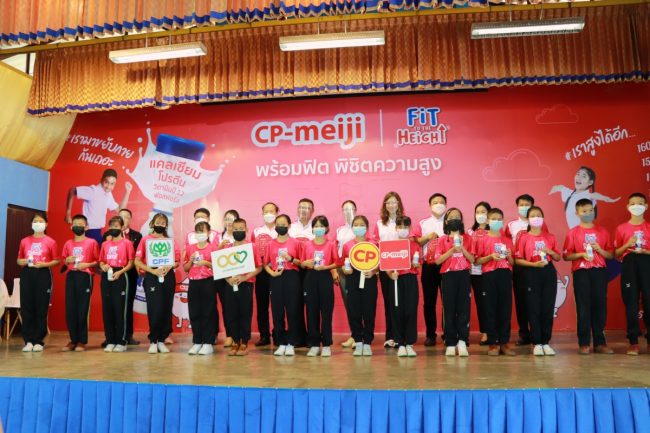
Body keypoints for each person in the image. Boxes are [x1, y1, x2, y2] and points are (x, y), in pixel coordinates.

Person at [563, 199, 614, 355]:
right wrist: (581, 254)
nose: (588, 213)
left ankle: (600, 343)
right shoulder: (573, 232)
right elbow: (566, 255)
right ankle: (584, 343)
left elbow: (610, 255)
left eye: (590, 210)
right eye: (584, 211)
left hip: (599, 272)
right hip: (581, 272)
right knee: (583, 307)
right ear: (577, 213)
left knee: (600, 306)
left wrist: (600, 250)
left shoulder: (603, 232)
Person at [514, 206, 561, 356]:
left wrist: (550, 251)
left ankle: (546, 342)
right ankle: (537, 342)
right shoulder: (523, 238)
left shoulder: (550, 237)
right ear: (528, 219)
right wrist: (533, 265)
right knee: (533, 308)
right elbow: (517, 260)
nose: (536, 218)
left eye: (539, 215)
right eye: (533, 216)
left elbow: (558, 257)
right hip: (531, 272)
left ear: (543, 218)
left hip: (548, 272)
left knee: (547, 307)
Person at [135, 213, 180, 354]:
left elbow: (177, 261)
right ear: (152, 224)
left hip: (168, 276)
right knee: (155, 308)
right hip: (152, 276)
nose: (160, 225)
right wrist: (153, 271)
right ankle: (153, 341)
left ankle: (161, 340)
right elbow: (137, 261)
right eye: (158, 222)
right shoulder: (145, 240)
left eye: (163, 223)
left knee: (166, 308)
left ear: (166, 226)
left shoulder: (170, 241)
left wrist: (169, 266)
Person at [474, 208, 516, 356]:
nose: (496, 221)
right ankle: (492, 343)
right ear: (487, 220)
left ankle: (504, 343)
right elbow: (476, 260)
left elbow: (513, 262)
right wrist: (490, 257)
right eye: (493, 219)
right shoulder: (482, 239)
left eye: (499, 219)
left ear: (503, 221)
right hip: (488, 275)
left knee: (505, 309)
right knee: (489, 309)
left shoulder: (507, 240)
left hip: (505, 274)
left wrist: (509, 256)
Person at [16, 213, 60, 352]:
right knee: (26, 307)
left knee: (41, 307)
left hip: (43, 274)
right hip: (27, 274)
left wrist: (44, 264)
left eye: (41, 221)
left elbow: (57, 260)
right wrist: (21, 261)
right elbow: (19, 259)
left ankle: (38, 340)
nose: (38, 223)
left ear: (46, 224)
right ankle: (28, 340)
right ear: (31, 224)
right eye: (35, 221)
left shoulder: (51, 242)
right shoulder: (24, 241)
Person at [435, 208, 474, 357]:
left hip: (464, 275)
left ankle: (462, 341)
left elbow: (472, 259)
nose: (455, 220)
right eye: (451, 217)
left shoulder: (468, 238)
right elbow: (437, 260)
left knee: (464, 308)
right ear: (446, 221)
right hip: (448, 276)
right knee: (449, 309)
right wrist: (451, 250)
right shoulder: (442, 240)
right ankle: (450, 342)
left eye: (457, 217)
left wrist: (462, 248)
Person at [614, 192, 650, 355]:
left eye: (640, 203)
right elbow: (616, 253)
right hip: (629, 264)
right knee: (631, 302)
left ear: (646, 206)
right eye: (633, 203)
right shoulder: (621, 228)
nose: (637, 206)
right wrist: (628, 244)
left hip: (647, 263)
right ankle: (633, 342)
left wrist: (645, 251)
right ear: (628, 207)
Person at [221, 218, 263, 356]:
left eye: (241, 229)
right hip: (230, 284)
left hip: (246, 284)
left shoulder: (252, 247)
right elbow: (221, 268)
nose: (238, 231)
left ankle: (244, 342)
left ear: (246, 230)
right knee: (231, 312)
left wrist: (245, 277)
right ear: (231, 230)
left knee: (245, 313)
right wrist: (228, 279)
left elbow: (259, 267)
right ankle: (235, 341)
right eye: (235, 229)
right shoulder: (227, 248)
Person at [301, 215, 339, 357]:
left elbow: (337, 262)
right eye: (316, 226)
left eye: (321, 226)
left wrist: (326, 267)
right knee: (311, 312)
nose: (318, 229)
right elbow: (302, 263)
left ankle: (327, 344)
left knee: (326, 312)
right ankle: (314, 344)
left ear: (326, 228)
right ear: (312, 229)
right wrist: (306, 263)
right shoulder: (307, 245)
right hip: (310, 278)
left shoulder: (331, 244)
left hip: (325, 277)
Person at [265, 214, 303, 356]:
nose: (280, 227)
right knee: (277, 311)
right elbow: (265, 264)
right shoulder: (270, 244)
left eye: (283, 224)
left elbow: (301, 263)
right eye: (278, 224)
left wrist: (291, 259)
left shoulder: (296, 243)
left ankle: (291, 343)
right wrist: (272, 273)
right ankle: (281, 342)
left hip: (292, 277)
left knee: (293, 311)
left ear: (289, 226)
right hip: (276, 277)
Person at [341, 215, 378, 356]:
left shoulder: (374, 244)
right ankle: (358, 342)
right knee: (354, 311)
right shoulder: (347, 245)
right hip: (353, 278)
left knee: (369, 311)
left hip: (369, 279)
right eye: (355, 225)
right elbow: (343, 263)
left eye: (361, 224)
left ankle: (367, 342)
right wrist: (346, 270)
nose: (358, 227)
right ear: (352, 227)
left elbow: (380, 263)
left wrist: (374, 271)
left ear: (367, 227)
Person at [61, 215, 99, 352]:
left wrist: (86, 264)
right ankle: (73, 340)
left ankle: (82, 341)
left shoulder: (92, 242)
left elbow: (97, 261)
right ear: (71, 227)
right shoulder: (68, 243)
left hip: (85, 276)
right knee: (70, 309)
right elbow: (64, 260)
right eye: (75, 223)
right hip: (71, 275)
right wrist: (67, 260)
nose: (77, 226)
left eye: (80, 223)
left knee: (83, 309)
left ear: (86, 227)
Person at [65, 169, 132, 244]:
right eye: (106, 182)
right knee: (104, 247)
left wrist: (128, 192)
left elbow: (120, 210)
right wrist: (68, 213)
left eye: (112, 184)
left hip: (98, 231)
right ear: (102, 179)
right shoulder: (94, 191)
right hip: (90, 231)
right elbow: (72, 190)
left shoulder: (108, 195)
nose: (108, 186)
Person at [98, 216, 135, 352]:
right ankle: (110, 340)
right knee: (107, 309)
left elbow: (131, 263)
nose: (113, 228)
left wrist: (120, 272)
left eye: (116, 226)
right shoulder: (105, 244)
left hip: (121, 275)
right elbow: (101, 261)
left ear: (122, 227)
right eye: (111, 226)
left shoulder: (127, 243)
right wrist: (103, 266)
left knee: (120, 309)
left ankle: (121, 341)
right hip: (106, 275)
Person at [414, 193, 447, 347]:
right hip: (429, 266)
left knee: (448, 301)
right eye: (435, 202)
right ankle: (430, 334)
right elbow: (416, 242)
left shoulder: (450, 221)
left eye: (441, 202)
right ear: (430, 205)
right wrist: (427, 237)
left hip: (447, 265)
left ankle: (448, 333)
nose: (438, 205)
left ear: (446, 205)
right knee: (429, 301)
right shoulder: (423, 223)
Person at [373, 191, 404, 348]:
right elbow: (376, 245)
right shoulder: (379, 224)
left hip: (402, 268)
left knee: (401, 302)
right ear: (385, 205)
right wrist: (381, 267)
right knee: (389, 301)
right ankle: (390, 336)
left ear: (399, 204)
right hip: (385, 269)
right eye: (389, 202)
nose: (392, 205)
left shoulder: (404, 221)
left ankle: (401, 336)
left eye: (394, 202)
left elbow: (408, 242)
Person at [386, 216, 421, 357]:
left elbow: (418, 263)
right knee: (396, 311)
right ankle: (400, 343)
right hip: (396, 280)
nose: (403, 229)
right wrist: (390, 275)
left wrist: (416, 264)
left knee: (411, 310)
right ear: (396, 228)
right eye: (400, 227)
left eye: (405, 227)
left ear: (409, 228)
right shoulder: (391, 245)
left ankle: (409, 344)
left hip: (410, 279)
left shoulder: (414, 245)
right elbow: (387, 264)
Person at [183, 221, 218, 355]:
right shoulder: (191, 248)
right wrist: (191, 261)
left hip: (208, 282)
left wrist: (206, 263)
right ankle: (197, 341)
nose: (200, 234)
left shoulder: (213, 247)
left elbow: (219, 266)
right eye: (197, 231)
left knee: (208, 312)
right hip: (193, 282)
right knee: (194, 312)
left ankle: (208, 343)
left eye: (202, 231)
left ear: (208, 233)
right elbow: (186, 268)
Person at [504, 194, 536, 346]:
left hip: (535, 266)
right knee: (521, 300)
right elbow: (505, 244)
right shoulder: (511, 225)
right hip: (518, 266)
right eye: (521, 204)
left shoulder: (538, 222)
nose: (524, 207)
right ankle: (524, 334)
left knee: (535, 300)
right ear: (517, 207)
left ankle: (536, 333)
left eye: (527, 204)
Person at [549, 166, 620, 229]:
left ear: (590, 182)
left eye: (583, 176)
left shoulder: (587, 195)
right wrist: (552, 191)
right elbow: (560, 187)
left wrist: (607, 199)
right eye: (578, 174)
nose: (579, 178)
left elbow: (595, 195)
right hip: (573, 232)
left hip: (583, 231)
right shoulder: (569, 193)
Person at [251, 202, 279, 347]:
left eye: (271, 211)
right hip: (261, 272)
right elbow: (252, 251)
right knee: (262, 304)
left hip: (277, 271)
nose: (269, 214)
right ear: (262, 214)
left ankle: (278, 333)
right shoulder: (256, 231)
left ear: (276, 213)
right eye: (266, 211)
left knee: (278, 304)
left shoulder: (282, 229)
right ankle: (264, 335)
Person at [288, 198, 315, 346]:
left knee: (311, 304)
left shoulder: (316, 227)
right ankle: (298, 337)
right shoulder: (290, 228)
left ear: (312, 211)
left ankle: (313, 338)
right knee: (295, 304)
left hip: (311, 270)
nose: (304, 210)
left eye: (307, 208)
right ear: (297, 209)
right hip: (294, 269)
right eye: (301, 207)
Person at [117, 209, 142, 345]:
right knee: (113, 305)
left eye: (126, 217)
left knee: (127, 305)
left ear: (130, 219)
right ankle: (112, 336)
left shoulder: (137, 236)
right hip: (113, 275)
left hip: (130, 275)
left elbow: (139, 256)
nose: (123, 219)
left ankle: (128, 335)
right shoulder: (109, 235)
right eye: (121, 216)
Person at [468, 201, 491, 346]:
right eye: (478, 212)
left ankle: (492, 331)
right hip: (474, 272)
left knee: (490, 303)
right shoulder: (470, 232)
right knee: (481, 303)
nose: (480, 215)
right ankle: (485, 332)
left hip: (489, 271)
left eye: (483, 212)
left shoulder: (493, 231)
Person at [335, 200, 357, 349]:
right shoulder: (340, 231)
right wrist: (335, 270)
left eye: (351, 209)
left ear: (356, 210)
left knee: (360, 303)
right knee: (349, 303)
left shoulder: (361, 227)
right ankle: (354, 334)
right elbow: (336, 250)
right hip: (343, 269)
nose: (348, 212)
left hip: (359, 270)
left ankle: (362, 335)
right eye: (345, 210)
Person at [216, 209, 239, 348]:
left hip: (237, 275)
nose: (229, 222)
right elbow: (212, 255)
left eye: (232, 219)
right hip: (222, 276)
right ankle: (229, 335)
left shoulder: (240, 236)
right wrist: (220, 247)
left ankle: (238, 335)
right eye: (226, 219)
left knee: (237, 305)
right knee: (226, 306)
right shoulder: (218, 237)